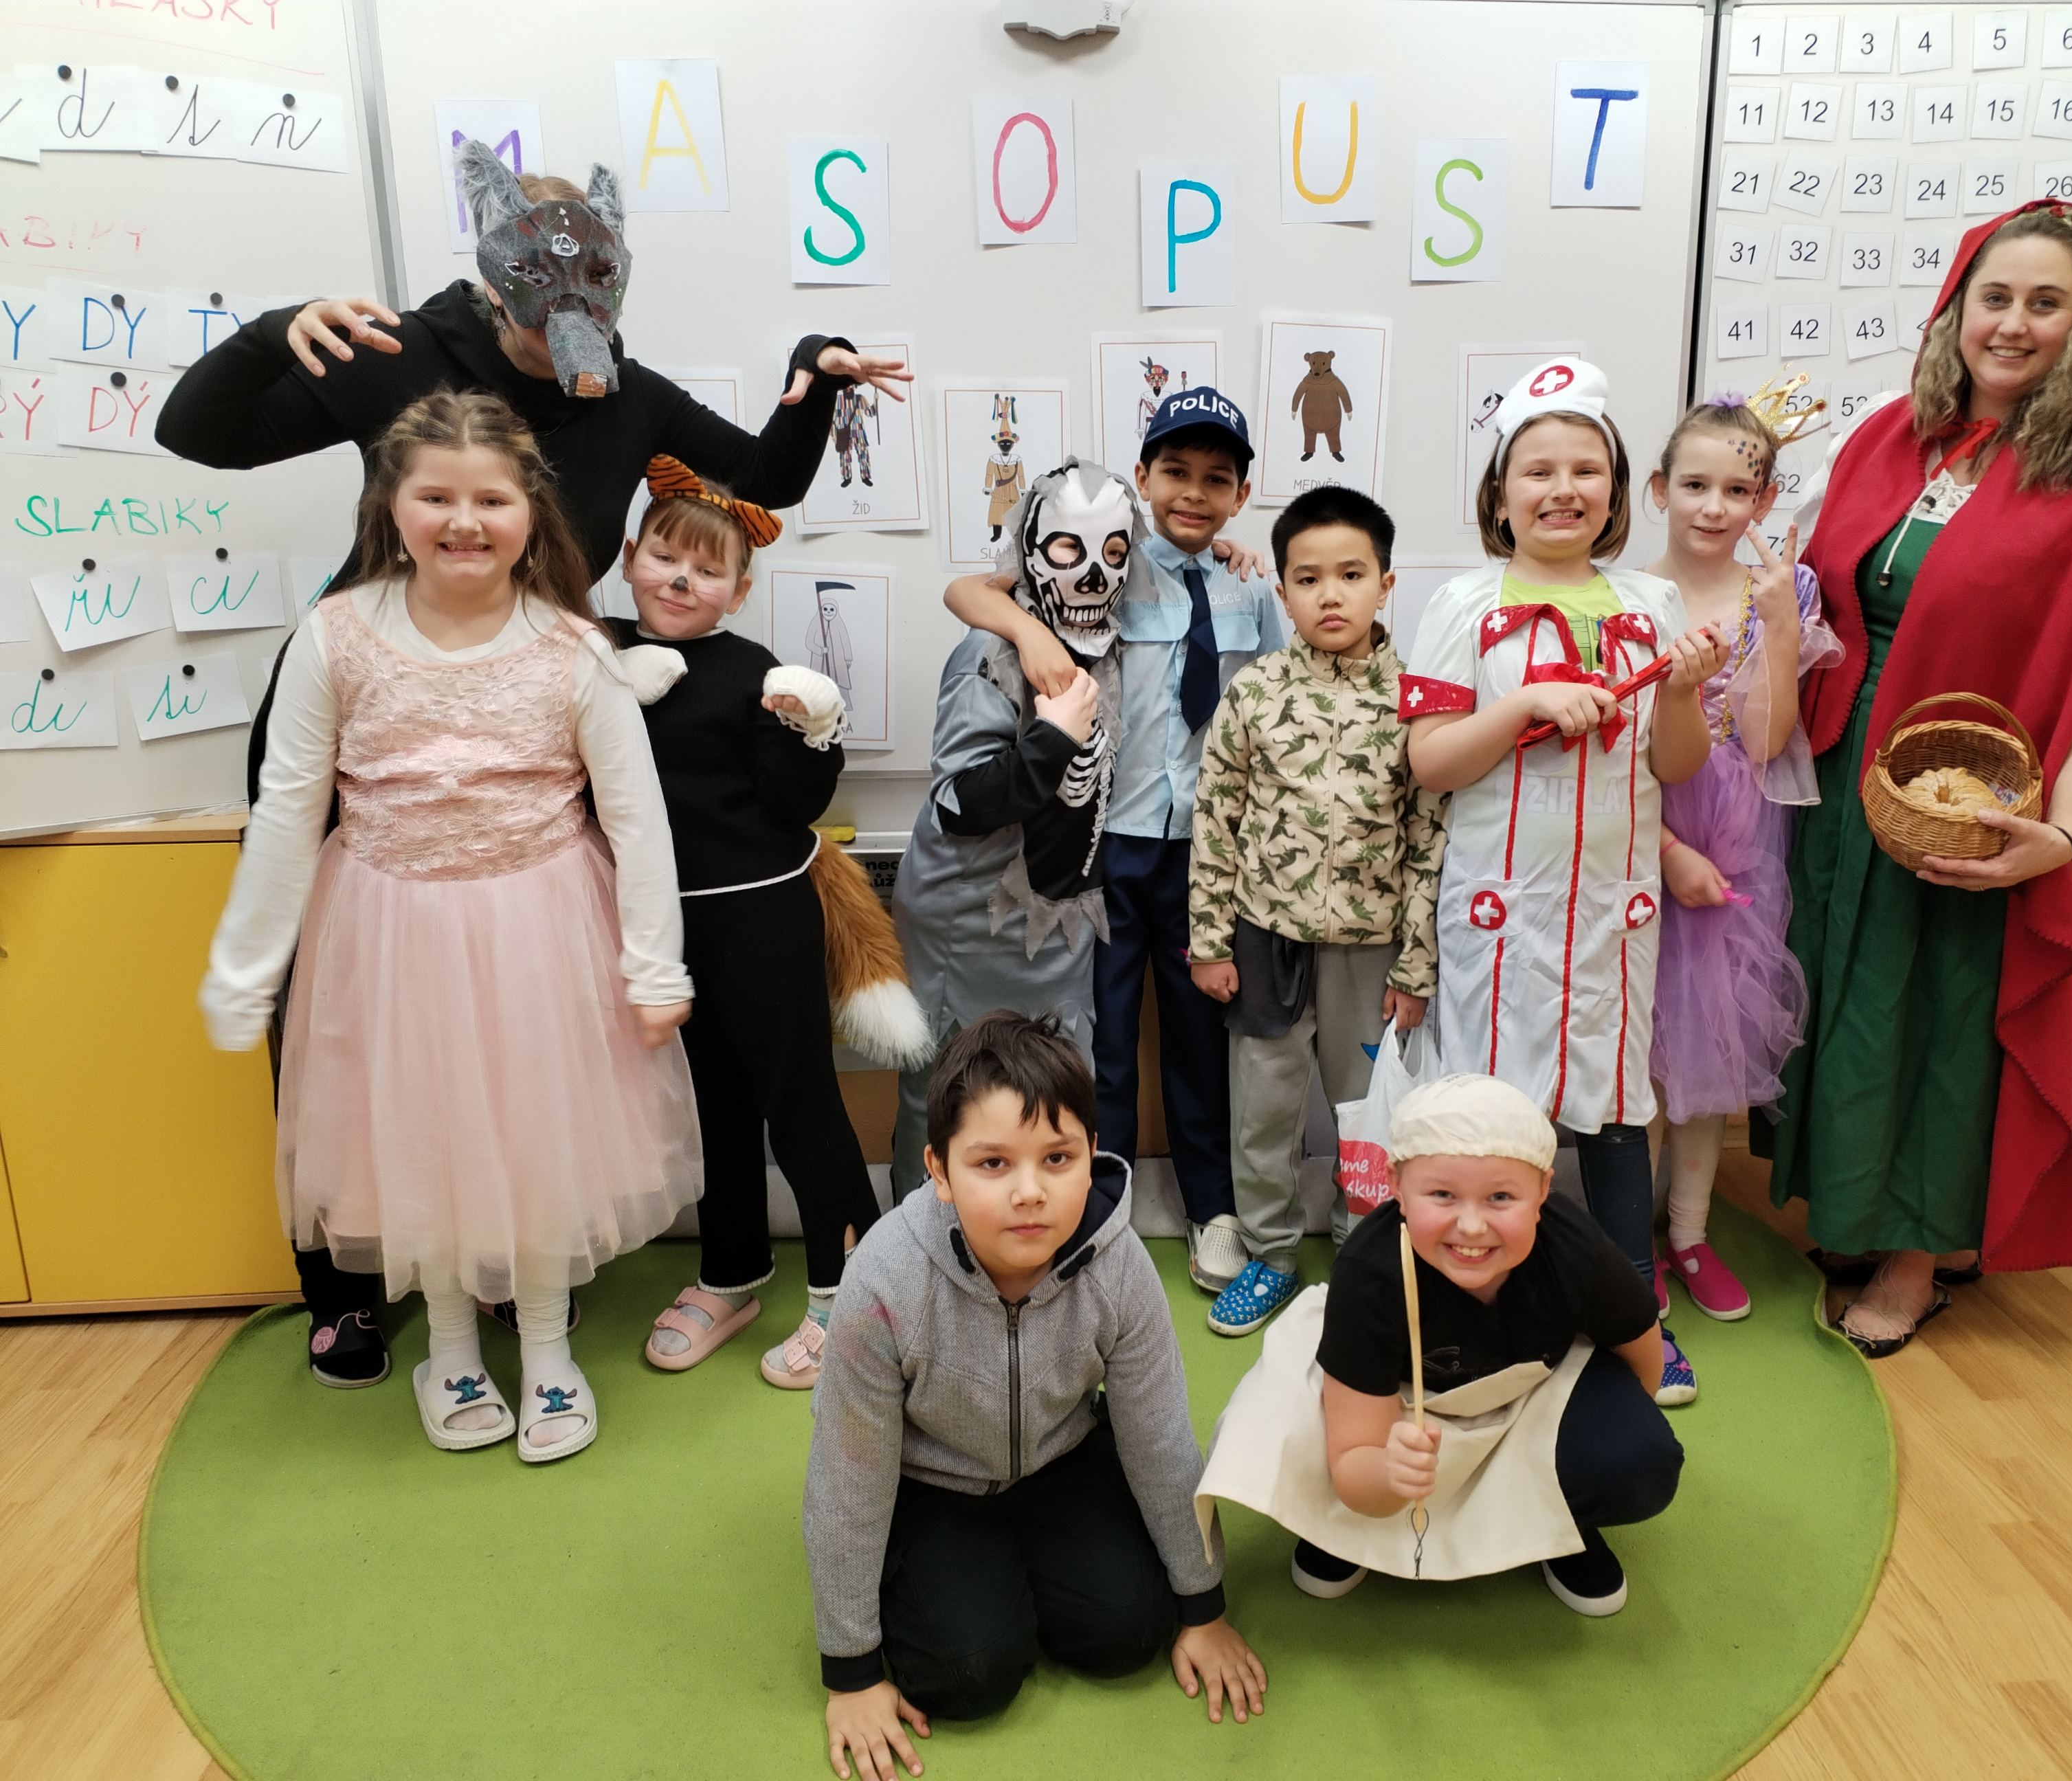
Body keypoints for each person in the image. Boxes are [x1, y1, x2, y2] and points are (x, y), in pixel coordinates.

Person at [155, 142, 906, 1389]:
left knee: (512, 1007)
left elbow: (765, 474)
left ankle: (503, 1254)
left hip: (525, 719)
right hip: (375, 713)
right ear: (492, 284)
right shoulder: (397, 354)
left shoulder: (622, 387)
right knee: (347, 1003)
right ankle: (346, 1289)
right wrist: (277, 331)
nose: (562, 341)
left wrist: (810, 376)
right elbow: (201, 434)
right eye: (537, 313)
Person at [198, 391, 700, 1462]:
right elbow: (287, 808)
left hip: (543, 931)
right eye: (436, 496)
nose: (464, 521)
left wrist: (655, 965)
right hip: (388, 931)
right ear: (392, 504)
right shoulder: (337, 635)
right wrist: (248, 969)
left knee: (536, 1139)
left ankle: (550, 1348)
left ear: (530, 511)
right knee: (419, 1137)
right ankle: (454, 1349)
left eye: (490, 499)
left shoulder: (572, 647)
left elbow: (636, 817)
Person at [1765, 199, 2072, 1356]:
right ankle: (1860, 1211)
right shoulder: (1888, 433)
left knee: (1948, 1013)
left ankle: (1920, 1257)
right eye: (1994, 297)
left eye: (2045, 303)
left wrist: (2059, 836)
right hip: (1853, 776)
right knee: (1857, 997)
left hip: (1990, 795)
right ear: (1956, 308)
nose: (2011, 324)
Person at [805, 1011, 1267, 1780]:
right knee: (968, 1674)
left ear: (1092, 1154)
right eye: (992, 1163)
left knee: (1131, 1631)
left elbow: (1158, 1436)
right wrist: (850, 1670)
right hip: (931, 1481)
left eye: (1057, 1157)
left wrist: (1203, 1607)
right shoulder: (884, 1282)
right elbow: (848, 1477)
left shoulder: (1120, 1266)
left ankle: (1045, 1571)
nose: (1030, 1192)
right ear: (939, 1171)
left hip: (1063, 1459)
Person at [1399, 358, 1724, 1407]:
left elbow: (1676, 766)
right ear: (1501, 495)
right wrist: (1523, 705)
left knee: (1617, 1111)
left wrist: (1684, 692)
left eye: (1587, 469)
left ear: (1617, 492)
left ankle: (1635, 1322)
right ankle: (1479, 1314)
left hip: (1615, 911)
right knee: (1493, 1114)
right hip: (1498, 911)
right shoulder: (1462, 604)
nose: (1563, 489)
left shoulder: (1652, 601)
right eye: (1538, 470)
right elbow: (1430, 763)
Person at [949, 388, 1282, 1297]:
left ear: (1241, 496)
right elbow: (968, 591)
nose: (1194, 492)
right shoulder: (1108, 565)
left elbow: (1273, 707)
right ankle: (1100, 1205)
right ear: (1142, 478)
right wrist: (1027, 630)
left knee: (1198, 1036)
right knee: (1097, 1038)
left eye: (1217, 479)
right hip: (1103, 844)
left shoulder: (1252, 589)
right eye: (1175, 472)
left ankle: (1213, 1208)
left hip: (1205, 852)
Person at [603, 458, 889, 1390]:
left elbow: (795, 801)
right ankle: (732, 1271)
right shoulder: (591, 652)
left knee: (797, 1101)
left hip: (761, 914)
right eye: (665, 557)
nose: (682, 580)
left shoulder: (755, 671)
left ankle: (851, 1293)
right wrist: (604, 682)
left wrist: (813, 727)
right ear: (629, 556)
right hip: (655, 928)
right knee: (710, 1108)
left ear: (739, 587)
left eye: (708, 569)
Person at [1194, 1074, 1682, 1614]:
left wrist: (1590, 1450)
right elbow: (1355, 1454)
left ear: (1544, 1190)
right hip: (1390, 1409)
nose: (1471, 1226)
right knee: (1280, 1427)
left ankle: (1565, 1524)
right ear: (1396, 1185)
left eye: (1501, 1197)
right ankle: (1341, 1531)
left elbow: (1639, 1357)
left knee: (1638, 1457)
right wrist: (1383, 1475)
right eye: (1443, 1195)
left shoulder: (1575, 1250)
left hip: (1528, 1397)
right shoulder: (1369, 1272)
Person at [1186, 485, 1445, 1336]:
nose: (1330, 595)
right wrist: (1209, 941)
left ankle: (1364, 1249)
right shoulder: (1255, 692)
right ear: (1283, 590)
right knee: (1263, 1110)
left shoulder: (1418, 699)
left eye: (1351, 575)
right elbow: (1217, 818)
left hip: (1373, 952)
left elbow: (1430, 836)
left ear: (1386, 583)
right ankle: (1269, 1254)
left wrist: (1416, 965)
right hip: (1264, 942)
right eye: (1307, 579)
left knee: (1367, 1112)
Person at [1639, 388, 1839, 1323]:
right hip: (1646, 828)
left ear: (1764, 501)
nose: (1715, 508)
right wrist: (1664, 847)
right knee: (1641, 1050)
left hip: (1743, 836)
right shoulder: (1629, 598)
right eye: (1695, 486)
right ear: (1659, 489)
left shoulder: (1782, 594)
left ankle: (1688, 1234)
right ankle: (1625, 1236)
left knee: (1713, 1042)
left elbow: (1764, 740)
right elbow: (1616, 757)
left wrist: (1782, 625)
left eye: (1738, 491)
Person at [890, 460, 1142, 1200]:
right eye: (1068, 548)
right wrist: (1055, 737)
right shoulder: (991, 652)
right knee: (952, 1089)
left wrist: (1227, 553)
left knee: (1052, 1087)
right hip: (971, 913)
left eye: (1115, 553)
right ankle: (926, 1235)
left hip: (1061, 914)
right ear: (1031, 551)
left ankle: (1038, 1230)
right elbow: (960, 800)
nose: (1095, 574)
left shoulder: (1113, 639)